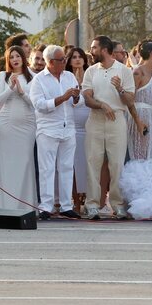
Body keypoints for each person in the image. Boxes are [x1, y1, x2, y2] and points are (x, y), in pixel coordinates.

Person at [81, 35, 136, 220]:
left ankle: (118, 204)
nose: (91, 51)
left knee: (117, 164)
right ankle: (92, 204)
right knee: (92, 162)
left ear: (104, 49)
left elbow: (129, 100)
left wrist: (120, 89)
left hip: (117, 120)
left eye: (94, 47)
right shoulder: (90, 71)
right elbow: (87, 98)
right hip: (96, 119)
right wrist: (101, 105)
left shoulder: (124, 71)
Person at [29, 45, 82, 220]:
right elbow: (40, 105)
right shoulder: (39, 80)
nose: (65, 62)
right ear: (51, 62)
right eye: (62, 60)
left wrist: (75, 97)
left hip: (68, 129)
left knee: (66, 167)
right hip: (48, 130)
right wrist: (62, 98)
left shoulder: (69, 76)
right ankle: (46, 206)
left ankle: (66, 205)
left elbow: (78, 101)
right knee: (47, 169)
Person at [0, 46, 37, 212]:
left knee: (25, 161)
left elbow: (34, 103)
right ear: (8, 60)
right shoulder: (3, 75)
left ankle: (26, 206)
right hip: (6, 123)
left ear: (23, 58)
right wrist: (11, 87)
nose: (15, 59)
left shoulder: (32, 76)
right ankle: (4, 206)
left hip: (27, 124)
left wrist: (21, 92)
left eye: (18, 56)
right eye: (11, 57)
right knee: (6, 163)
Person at [128, 41, 152, 161]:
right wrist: (138, 121)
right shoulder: (138, 72)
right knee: (141, 156)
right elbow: (130, 100)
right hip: (141, 117)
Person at [65, 47, 90, 210]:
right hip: (69, 125)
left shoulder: (90, 76)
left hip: (87, 126)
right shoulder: (65, 77)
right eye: (74, 57)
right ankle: (73, 199)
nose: (77, 59)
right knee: (70, 165)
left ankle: (86, 199)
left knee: (86, 165)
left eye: (80, 56)